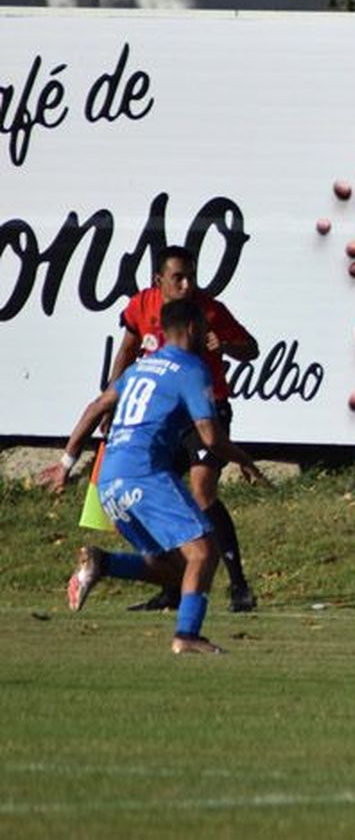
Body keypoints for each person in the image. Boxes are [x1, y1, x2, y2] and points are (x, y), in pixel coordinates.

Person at [40, 299, 251, 655]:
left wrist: (66, 462)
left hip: (109, 482)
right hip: (145, 475)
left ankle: (103, 562)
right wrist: (246, 460)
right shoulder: (191, 367)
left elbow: (96, 408)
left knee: (176, 570)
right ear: (190, 328)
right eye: (202, 324)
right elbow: (211, 437)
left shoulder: (141, 367)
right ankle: (186, 635)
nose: (206, 331)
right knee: (203, 551)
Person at [111, 246, 261, 613]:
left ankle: (239, 586)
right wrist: (114, 398)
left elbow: (250, 349)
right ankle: (172, 586)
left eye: (191, 275)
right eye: (178, 276)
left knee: (201, 490)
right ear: (158, 280)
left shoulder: (208, 310)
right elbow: (128, 349)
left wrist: (224, 344)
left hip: (205, 414)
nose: (187, 283)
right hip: (164, 420)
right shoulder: (140, 306)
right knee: (156, 497)